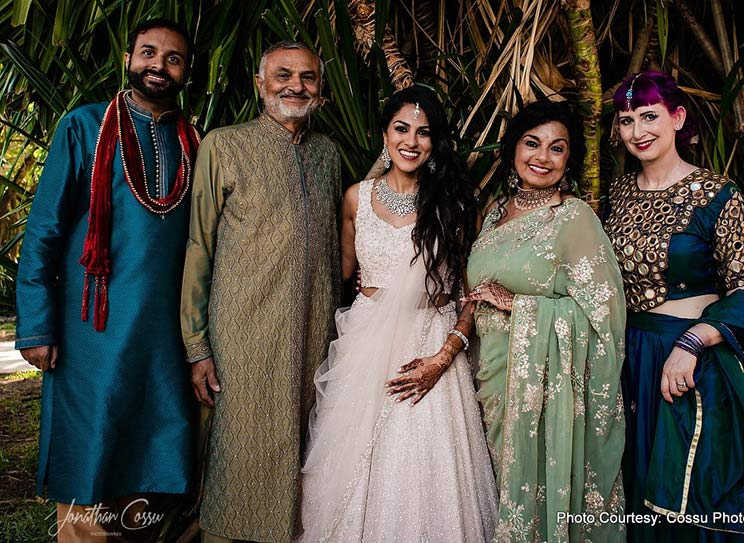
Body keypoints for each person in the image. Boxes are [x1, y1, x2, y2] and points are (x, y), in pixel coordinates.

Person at [15, 18, 198, 541]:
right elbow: (45, 230)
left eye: (173, 58)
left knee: (155, 445)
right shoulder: (84, 126)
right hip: (90, 327)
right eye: (149, 52)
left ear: (187, 72)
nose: (158, 66)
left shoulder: (194, 143)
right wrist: (36, 325)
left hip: (163, 332)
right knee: (91, 439)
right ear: (128, 59)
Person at [298, 86, 498, 542]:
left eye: (423, 132)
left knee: (425, 464)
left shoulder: (454, 203)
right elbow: (340, 280)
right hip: (366, 345)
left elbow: (471, 293)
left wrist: (446, 356)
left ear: (435, 142)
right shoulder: (355, 199)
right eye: (401, 128)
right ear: (385, 134)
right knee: (351, 469)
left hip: (432, 343)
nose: (411, 140)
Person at [604, 71, 744, 541]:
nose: (637, 131)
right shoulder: (618, 195)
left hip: (689, 364)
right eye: (626, 121)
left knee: (692, 504)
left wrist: (692, 341)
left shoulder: (719, 195)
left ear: (677, 118)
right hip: (631, 363)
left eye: (649, 116)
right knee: (636, 492)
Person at [180, 41, 342, 543]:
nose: (296, 85)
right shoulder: (224, 145)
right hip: (242, 334)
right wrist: (196, 345)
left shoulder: (328, 155)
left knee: (304, 447)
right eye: (283, 75)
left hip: (315, 332)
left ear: (320, 88)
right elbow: (198, 245)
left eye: (308, 77)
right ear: (259, 82)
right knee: (238, 451)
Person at [464, 98, 627, 542]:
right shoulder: (495, 211)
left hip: (536, 392)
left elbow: (605, 317)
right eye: (532, 143)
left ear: (569, 159)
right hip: (485, 377)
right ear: (513, 149)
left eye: (557, 148)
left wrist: (520, 306)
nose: (542, 156)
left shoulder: (572, 218)